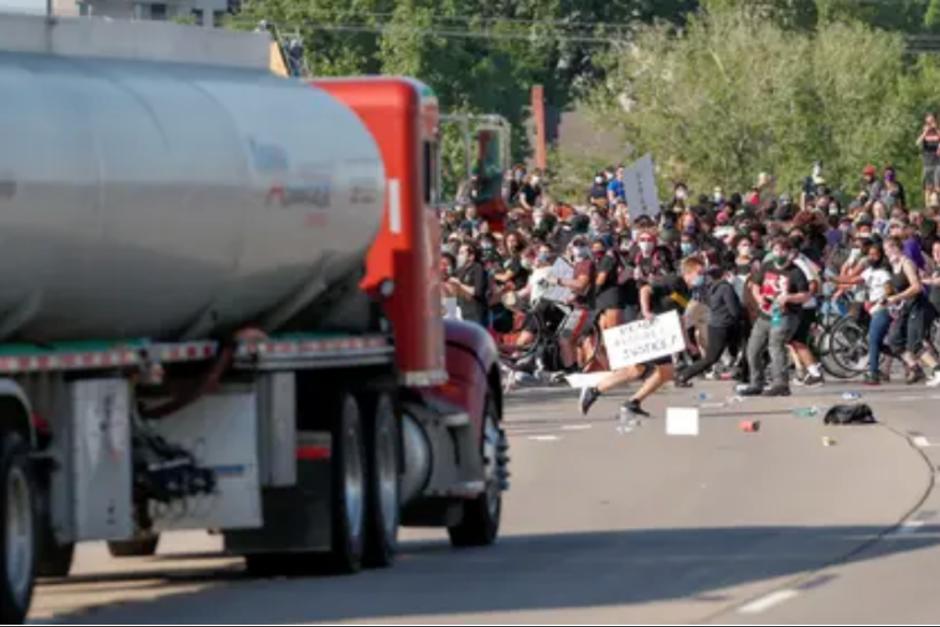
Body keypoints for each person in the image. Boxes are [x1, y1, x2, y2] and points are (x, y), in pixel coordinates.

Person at [578, 257, 703, 419]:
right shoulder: (673, 280)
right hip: (648, 328)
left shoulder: (687, 291)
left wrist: (687, 342)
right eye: (699, 272)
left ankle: (627, 401)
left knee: (650, 371)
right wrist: (645, 311)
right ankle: (598, 391)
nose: (703, 276)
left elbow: (678, 317)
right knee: (644, 370)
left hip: (661, 333)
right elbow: (645, 290)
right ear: (689, 272)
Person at [738, 237, 811, 397]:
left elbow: (805, 295)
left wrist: (789, 298)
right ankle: (756, 383)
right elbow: (755, 286)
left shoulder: (796, 272)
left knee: (775, 345)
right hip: (765, 314)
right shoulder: (767, 266)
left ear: (790, 252)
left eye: (783, 250)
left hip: (786, 315)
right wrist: (759, 299)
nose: (779, 253)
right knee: (753, 349)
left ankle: (781, 384)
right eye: (776, 250)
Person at [675, 262, 742, 387]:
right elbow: (734, 310)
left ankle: (742, 372)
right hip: (718, 321)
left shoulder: (711, 287)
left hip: (713, 319)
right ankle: (683, 374)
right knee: (711, 357)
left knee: (713, 349)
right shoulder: (724, 288)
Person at [883, 236, 940, 385]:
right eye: (885, 251)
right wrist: (887, 298)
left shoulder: (907, 263)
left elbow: (916, 287)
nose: (887, 254)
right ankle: (915, 368)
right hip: (905, 307)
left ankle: (937, 370)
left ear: (896, 248)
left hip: (918, 305)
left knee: (915, 343)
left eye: (888, 250)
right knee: (894, 339)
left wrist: (897, 297)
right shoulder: (894, 266)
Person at [448, 243, 488, 326]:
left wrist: (459, 284)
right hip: (460, 313)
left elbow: (477, 291)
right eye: (459, 253)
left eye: (462, 253)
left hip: (474, 314)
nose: (459, 255)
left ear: (471, 256)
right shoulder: (458, 271)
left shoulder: (477, 268)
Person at [917, 113, 940, 208]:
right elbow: (917, 143)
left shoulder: (938, 133)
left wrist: (937, 130)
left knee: (937, 187)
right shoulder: (925, 133)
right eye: (928, 122)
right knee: (927, 188)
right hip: (927, 164)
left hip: (938, 163)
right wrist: (925, 132)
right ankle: (928, 209)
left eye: (932, 121)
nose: (930, 124)